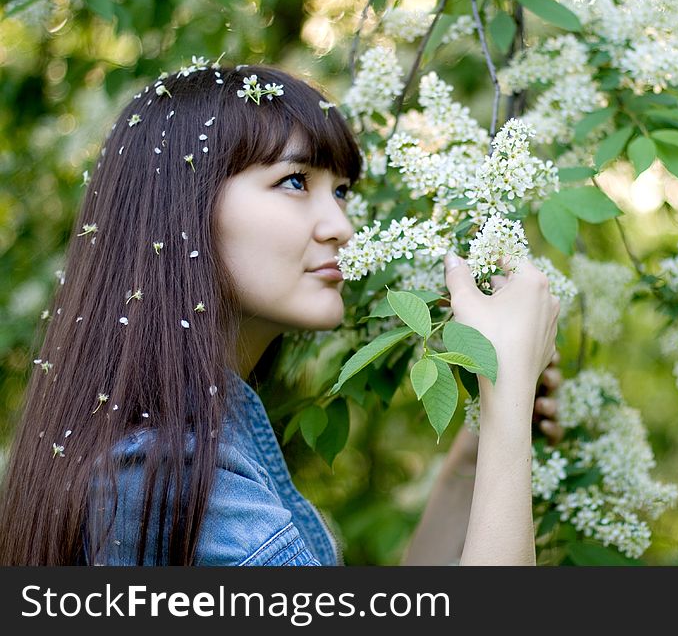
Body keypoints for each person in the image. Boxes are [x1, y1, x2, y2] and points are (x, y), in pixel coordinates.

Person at [0, 57, 560, 566]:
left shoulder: (197, 443)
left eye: (340, 192)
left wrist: (476, 458)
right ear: (184, 209)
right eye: (295, 181)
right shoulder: (168, 476)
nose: (341, 225)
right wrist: (507, 393)